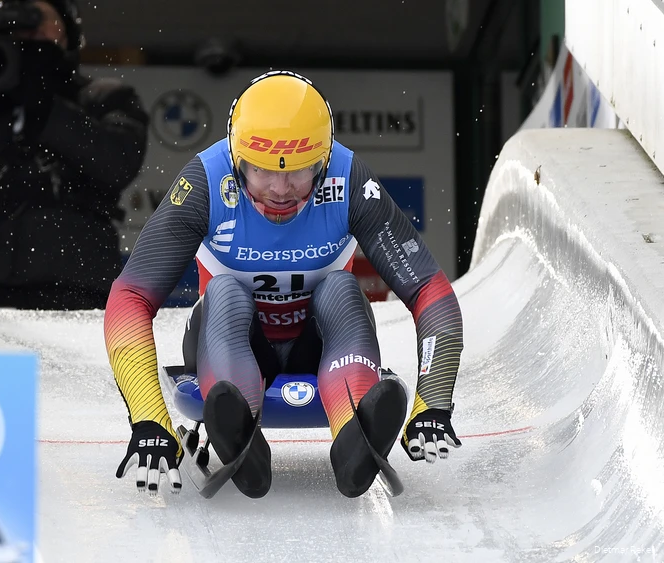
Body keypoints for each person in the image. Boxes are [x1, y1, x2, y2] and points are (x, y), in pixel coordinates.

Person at [104, 70, 464, 498]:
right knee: (225, 291)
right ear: (238, 162)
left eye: (299, 172)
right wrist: (148, 418)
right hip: (232, 340)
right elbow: (131, 296)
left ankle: (355, 434)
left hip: (320, 345)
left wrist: (433, 401)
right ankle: (239, 428)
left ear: (324, 161)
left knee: (341, 289)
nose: (280, 189)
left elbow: (429, 289)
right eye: (260, 171)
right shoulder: (204, 184)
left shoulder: (349, 180)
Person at [0, 0, 149, 310]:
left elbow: (118, 163)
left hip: (76, 291)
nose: (29, 29)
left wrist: (46, 106)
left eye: (39, 17)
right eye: (18, 20)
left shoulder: (105, 97)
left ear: (68, 32)